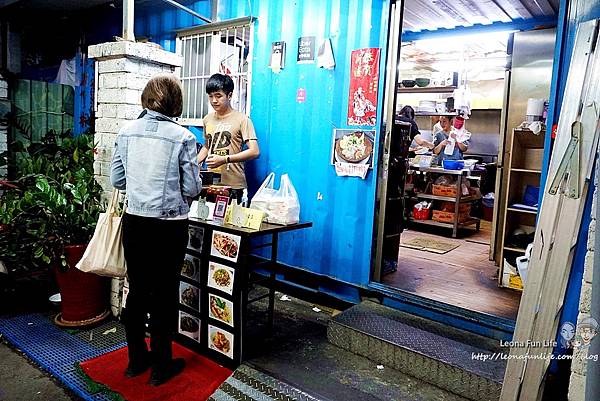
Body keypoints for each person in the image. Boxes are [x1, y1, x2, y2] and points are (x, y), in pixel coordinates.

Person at [111, 74, 202, 386]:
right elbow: (192, 186)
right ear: (175, 102)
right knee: (164, 294)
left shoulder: (126, 132)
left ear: (146, 100)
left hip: (135, 222)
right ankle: (161, 366)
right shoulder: (183, 137)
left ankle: (135, 361)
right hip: (169, 227)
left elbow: (117, 181)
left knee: (136, 291)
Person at [197, 73, 260, 203]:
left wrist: (224, 159)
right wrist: (194, 163)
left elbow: (255, 151)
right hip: (211, 185)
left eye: (218, 96)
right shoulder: (207, 119)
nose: (214, 100)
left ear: (230, 95)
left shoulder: (242, 119)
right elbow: (207, 146)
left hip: (234, 186)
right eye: (211, 96)